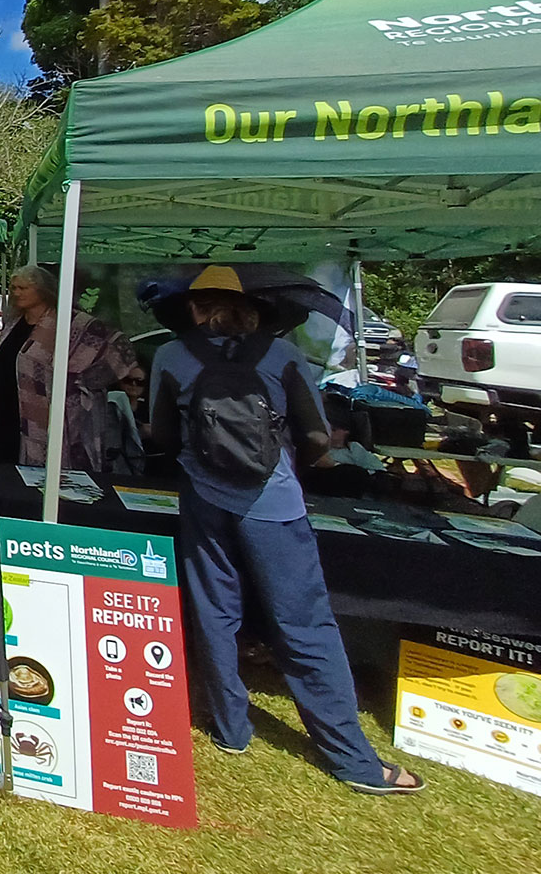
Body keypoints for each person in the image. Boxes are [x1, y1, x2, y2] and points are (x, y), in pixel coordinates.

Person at [150, 265, 424, 795]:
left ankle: (230, 729)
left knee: (214, 613)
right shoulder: (282, 355)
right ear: (251, 308)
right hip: (273, 504)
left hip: (203, 501)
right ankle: (354, 761)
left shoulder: (169, 355)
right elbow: (318, 438)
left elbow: (160, 435)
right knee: (304, 623)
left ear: (193, 308)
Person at [0, 264, 136, 472]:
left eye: (23, 288)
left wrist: (85, 381)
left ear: (42, 289)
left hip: (51, 417)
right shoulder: (14, 323)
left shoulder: (70, 323)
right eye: (14, 288)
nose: (16, 293)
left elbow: (120, 349)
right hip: (7, 413)